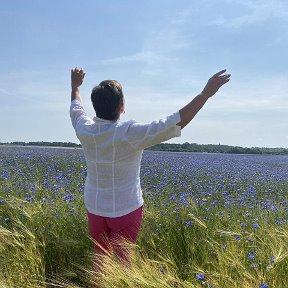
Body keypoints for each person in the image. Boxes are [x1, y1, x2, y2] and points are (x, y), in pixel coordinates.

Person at [70, 67, 230, 263]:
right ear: (122, 106)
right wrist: (204, 94)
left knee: (100, 260)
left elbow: (76, 108)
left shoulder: (85, 130)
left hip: (94, 207)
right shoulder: (128, 133)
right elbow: (173, 123)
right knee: (124, 264)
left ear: (95, 106)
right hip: (126, 208)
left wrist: (75, 86)